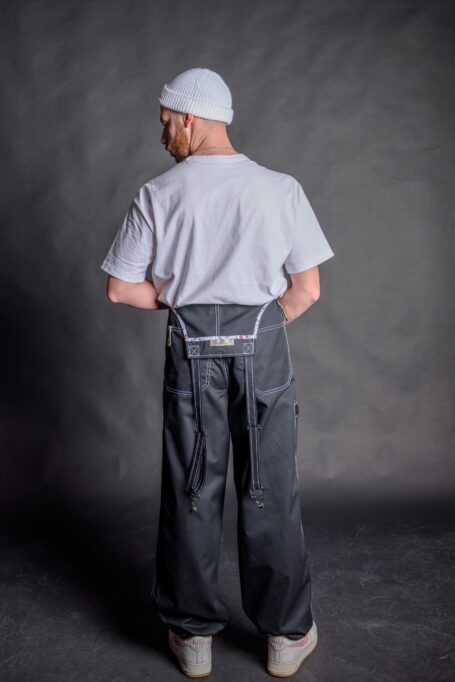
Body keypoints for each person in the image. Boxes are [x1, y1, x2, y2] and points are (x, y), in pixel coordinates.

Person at [100, 67, 334, 678]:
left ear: (189, 119)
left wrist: (190, 306)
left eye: (165, 125)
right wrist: (257, 323)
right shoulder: (280, 188)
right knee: (270, 486)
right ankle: (286, 637)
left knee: (192, 488)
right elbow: (307, 289)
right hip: (265, 348)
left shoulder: (158, 194)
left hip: (190, 349)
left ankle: (192, 636)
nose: (163, 138)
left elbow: (122, 290)